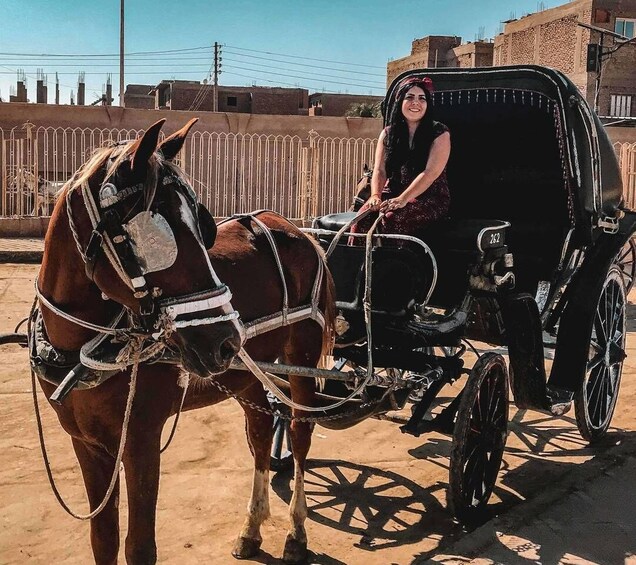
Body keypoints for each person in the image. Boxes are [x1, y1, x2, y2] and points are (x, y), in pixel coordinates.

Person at [349, 76, 451, 241]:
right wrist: (376, 195)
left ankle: (392, 266)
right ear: (400, 101)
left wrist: (403, 199)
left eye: (421, 98)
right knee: (362, 219)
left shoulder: (440, 133)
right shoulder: (388, 134)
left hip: (429, 197)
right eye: (409, 97)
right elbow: (380, 170)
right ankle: (360, 265)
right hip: (393, 194)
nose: (416, 103)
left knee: (391, 218)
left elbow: (430, 173)